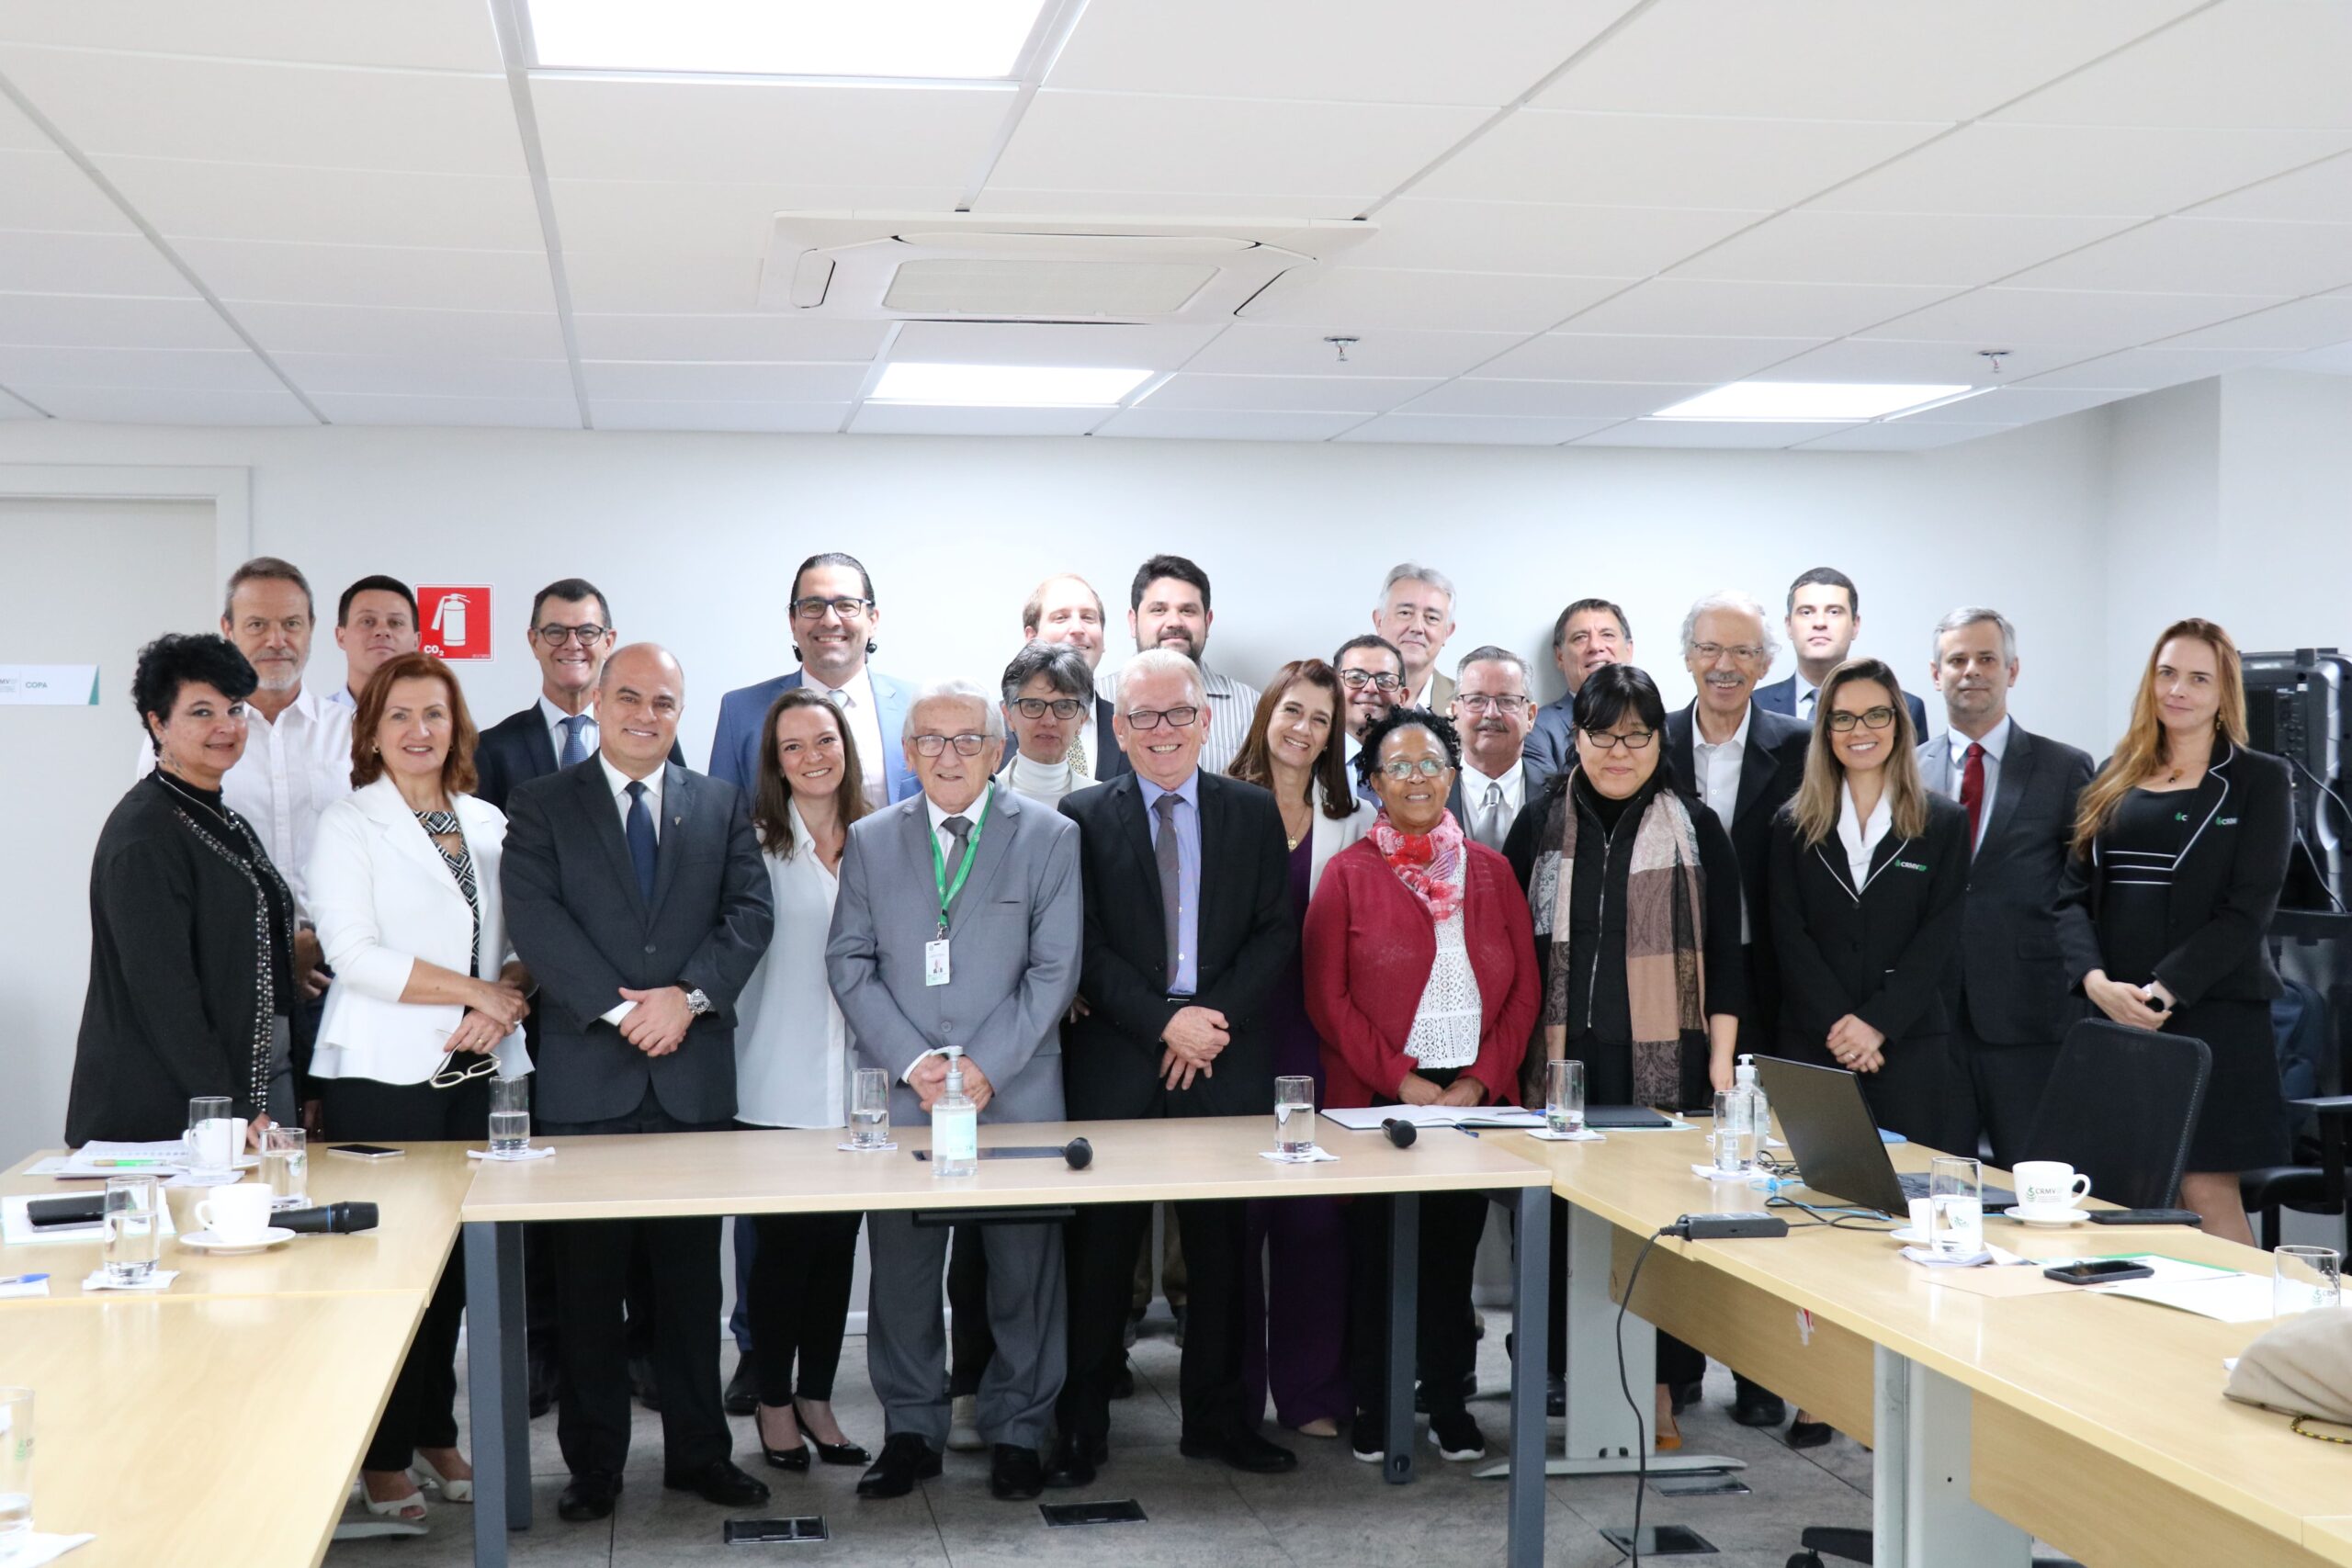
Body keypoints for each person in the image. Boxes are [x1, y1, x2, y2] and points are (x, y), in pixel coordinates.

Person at [500, 643, 775, 1522]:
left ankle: (700, 1455)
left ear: (679, 712)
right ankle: (594, 1468)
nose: (645, 714)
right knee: (587, 1292)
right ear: (599, 701)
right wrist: (625, 1013)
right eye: (628, 696)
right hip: (589, 1085)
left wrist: (686, 998)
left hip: (691, 1085)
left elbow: (749, 913)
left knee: (691, 1292)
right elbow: (536, 921)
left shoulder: (720, 802)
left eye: (663, 701)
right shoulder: (543, 802)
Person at [826, 681, 1081, 1504]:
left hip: (1015, 1091)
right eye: (930, 740)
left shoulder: (1050, 835)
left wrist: (985, 1066)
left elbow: (1055, 969)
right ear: (907, 752)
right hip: (909, 1098)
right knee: (903, 1273)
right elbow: (848, 961)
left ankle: (1018, 1430)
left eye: (967, 739)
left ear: (996, 749)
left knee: (1024, 1270)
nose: (948, 755)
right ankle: (911, 1430)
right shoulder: (870, 840)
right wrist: (914, 1063)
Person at [1055, 648, 1297, 1485]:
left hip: (1223, 1058)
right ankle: (1081, 1426)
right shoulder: (1082, 816)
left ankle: (1220, 1422)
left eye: (1179, 713)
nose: (1163, 730)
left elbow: (1275, 931)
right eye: (1143, 716)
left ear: (1205, 720)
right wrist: (1166, 1024)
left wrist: (1207, 1024)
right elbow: (1082, 945)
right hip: (1120, 1058)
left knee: (1223, 1256)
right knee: (1098, 1257)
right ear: (1118, 729)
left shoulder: (1253, 811)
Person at [305, 651, 531, 1524]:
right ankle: (383, 1454)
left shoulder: (487, 820)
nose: (418, 729)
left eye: (434, 713)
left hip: (480, 1070)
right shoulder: (349, 822)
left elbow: (523, 941)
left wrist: (505, 999)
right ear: (371, 730)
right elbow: (353, 954)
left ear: (456, 726)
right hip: (383, 1076)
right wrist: (477, 993)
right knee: (392, 1272)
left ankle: (436, 1430)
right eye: (398, 714)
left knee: (458, 1274)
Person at [1505, 665, 1741, 1451]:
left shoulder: (1696, 826)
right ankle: (1571, 1376)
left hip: (1667, 1068)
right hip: (1560, 1067)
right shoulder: (1539, 823)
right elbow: (1506, 947)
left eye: (1636, 734)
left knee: (1657, 1232)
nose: (1619, 750)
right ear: (1575, 737)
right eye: (1602, 733)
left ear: (1658, 740)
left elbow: (1729, 958)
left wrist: (1720, 1069)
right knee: (1563, 1227)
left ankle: (1663, 1386)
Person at [1304, 707, 1537, 1465]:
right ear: (1373, 782)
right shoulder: (1348, 873)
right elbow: (1327, 998)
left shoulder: (1492, 870)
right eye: (1397, 766)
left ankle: (1447, 1399)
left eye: (1430, 763)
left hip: (1471, 1101)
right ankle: (1376, 1400)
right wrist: (1399, 1078)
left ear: (1451, 774)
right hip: (1379, 1099)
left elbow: (1525, 993)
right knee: (1378, 1257)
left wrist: (1479, 1079)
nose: (1415, 778)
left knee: (1449, 1256)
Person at [472, 577, 676, 1416]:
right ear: (532, 642)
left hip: (650, 1017)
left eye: (587, 630)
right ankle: (547, 1353)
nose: (573, 644)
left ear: (608, 640)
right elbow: (512, 892)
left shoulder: (656, 738)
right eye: (555, 631)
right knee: (556, 1206)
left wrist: (654, 1001)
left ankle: (643, 1353)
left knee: (651, 1222)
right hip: (539, 1009)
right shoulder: (498, 748)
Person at [2054, 617, 2291, 1245]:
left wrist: (2162, 994)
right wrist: (2096, 983)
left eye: (2197, 678)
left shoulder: (2259, 779)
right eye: (2166, 673)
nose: (2178, 690)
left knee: (2204, 1190)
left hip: (2213, 1013)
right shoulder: (2113, 773)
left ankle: (2248, 1314)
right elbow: (2070, 897)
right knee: (2131, 1189)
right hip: (2117, 1012)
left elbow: (2248, 910)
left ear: (2224, 692)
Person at [1660, 592, 1808, 1435]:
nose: (1725, 665)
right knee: (1681, 1172)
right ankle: (1676, 1367)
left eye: (1744, 651)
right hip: (1676, 984)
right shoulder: (1652, 742)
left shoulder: (1801, 746)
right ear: (1688, 657)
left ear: (1767, 664)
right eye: (1710, 649)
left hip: (1773, 983)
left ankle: (1761, 1369)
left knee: (1766, 1181)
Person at [68, 633, 303, 1144]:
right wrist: (230, 1106)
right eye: (201, 712)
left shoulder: (223, 819)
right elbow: (163, 993)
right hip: (169, 1110)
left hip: (244, 1087)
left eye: (235, 709)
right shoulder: (145, 835)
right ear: (158, 723)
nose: (226, 726)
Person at [1226, 659, 1376, 1438]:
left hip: (1317, 1040)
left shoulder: (1355, 820)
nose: (1304, 728)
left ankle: (1311, 1390)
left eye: (1321, 719)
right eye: (1293, 710)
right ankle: (1235, 1398)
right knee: (1235, 1224)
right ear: (1266, 714)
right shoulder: (1219, 802)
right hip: (1233, 1039)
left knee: (1313, 1221)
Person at [731, 688, 873, 1478]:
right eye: (794, 746)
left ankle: (818, 1397)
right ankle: (774, 1402)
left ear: (846, 746)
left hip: (861, 1088)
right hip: (773, 1081)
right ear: (775, 762)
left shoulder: (881, 839)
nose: (813, 756)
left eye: (825, 740)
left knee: (836, 1252)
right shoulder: (752, 845)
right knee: (782, 1257)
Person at [1917, 608, 2094, 1167]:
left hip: (2030, 1017)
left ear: (2012, 671)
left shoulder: (2064, 768)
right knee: (1937, 1185)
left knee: (2040, 1185)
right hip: (1930, 1018)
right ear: (1936, 674)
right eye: (1957, 660)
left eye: (1987, 659)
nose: (1971, 670)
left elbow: (2083, 892)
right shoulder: (1907, 771)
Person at [137, 557, 352, 1003]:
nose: (277, 641)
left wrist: (313, 943)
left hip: (340, 968)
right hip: (225, 971)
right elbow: (163, 855)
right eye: (257, 625)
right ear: (228, 629)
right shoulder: (187, 737)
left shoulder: (352, 732)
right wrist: (274, 954)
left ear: (312, 628)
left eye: (291, 623)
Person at [1769, 657, 1968, 1139]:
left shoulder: (1944, 823)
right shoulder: (1791, 824)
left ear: (1898, 722)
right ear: (1826, 729)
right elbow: (1788, 936)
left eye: (1876, 714)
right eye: (1843, 718)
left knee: (1909, 1182)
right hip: (1816, 1043)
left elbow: (1938, 938)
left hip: (1907, 1043)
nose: (1861, 730)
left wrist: (1876, 1024)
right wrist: (1842, 1030)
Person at [710, 552, 919, 808]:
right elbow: (720, 818)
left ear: (872, 620)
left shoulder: (917, 707)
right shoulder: (740, 712)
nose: (829, 620)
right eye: (813, 606)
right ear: (793, 621)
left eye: (846, 605)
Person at [1096, 554, 1261, 775]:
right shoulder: (1095, 698)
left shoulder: (1249, 707)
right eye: (1159, 610)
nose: (1174, 622)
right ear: (1133, 622)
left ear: (1207, 622)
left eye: (1187, 610)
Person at [1757, 567, 1928, 736]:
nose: (1820, 623)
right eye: (1807, 612)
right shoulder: (1754, 705)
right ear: (1788, 626)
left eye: (1834, 612)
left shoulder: (1904, 708)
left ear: (1855, 625)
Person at [1020, 573, 1129, 780]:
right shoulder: (995, 728)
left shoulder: (1132, 727)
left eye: (1088, 618)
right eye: (1061, 618)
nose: (1078, 629)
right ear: (1032, 638)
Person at [1524, 598, 1633, 786]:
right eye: (1580, 637)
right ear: (1560, 656)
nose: (1595, 646)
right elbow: (1546, 798)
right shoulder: (1537, 728)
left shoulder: (1657, 721)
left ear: (1629, 650)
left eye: (1607, 635)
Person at [1446, 646, 1543, 853]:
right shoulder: (1427, 792)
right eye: (1476, 700)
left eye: (1507, 701)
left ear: (1530, 716)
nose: (1491, 713)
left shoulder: (1560, 797)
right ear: (1455, 714)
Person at [996, 640, 1098, 805]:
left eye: (1064, 706)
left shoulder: (1105, 805)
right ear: (1009, 717)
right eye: (1033, 705)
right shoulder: (982, 800)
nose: (1049, 721)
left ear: (1082, 720)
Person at [1372, 563, 1460, 711]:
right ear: (1379, 621)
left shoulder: (1465, 705)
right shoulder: (1343, 696)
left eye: (1431, 618)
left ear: (1447, 632)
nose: (1417, 628)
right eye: (1405, 613)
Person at [328, 576, 420, 710]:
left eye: (396, 623)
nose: (383, 631)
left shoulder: (440, 721)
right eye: (367, 621)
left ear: (416, 641)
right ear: (341, 637)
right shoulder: (314, 721)